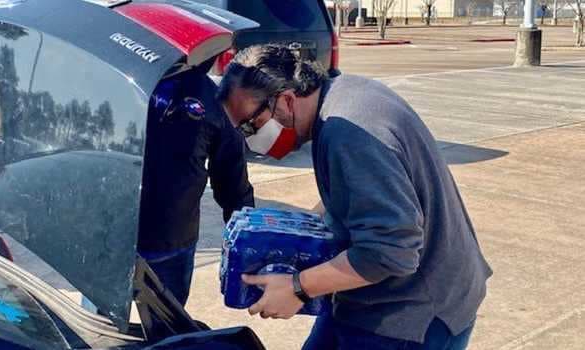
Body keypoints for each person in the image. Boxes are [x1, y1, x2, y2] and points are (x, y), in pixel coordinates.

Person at [216, 44, 492, 349]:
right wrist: (303, 226)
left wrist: (296, 288)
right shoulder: (342, 92)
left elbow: (391, 251)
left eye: (250, 125)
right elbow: (357, 192)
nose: (248, 137)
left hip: (413, 312)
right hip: (373, 295)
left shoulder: (346, 135)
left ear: (286, 99)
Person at [138, 68, 254, 306]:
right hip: (120, 235)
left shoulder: (212, 98)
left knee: (167, 330)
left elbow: (231, 177)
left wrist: (246, 235)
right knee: (98, 330)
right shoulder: (210, 95)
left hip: (167, 237)